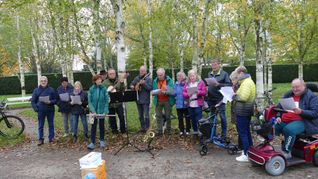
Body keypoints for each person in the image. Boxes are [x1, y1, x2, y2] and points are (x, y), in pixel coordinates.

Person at [275, 78, 318, 159]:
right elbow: (279, 108)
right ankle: (269, 149)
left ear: (303, 86)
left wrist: (301, 112)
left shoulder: (312, 97)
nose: (295, 89)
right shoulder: (288, 94)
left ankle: (286, 152)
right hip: (285, 119)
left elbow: (315, 113)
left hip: (304, 121)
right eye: (293, 87)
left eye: (297, 87)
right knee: (273, 126)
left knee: (289, 130)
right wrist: (278, 116)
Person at [232, 66, 256, 162]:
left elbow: (244, 97)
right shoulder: (247, 82)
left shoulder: (246, 83)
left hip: (243, 111)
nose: (237, 77)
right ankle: (250, 150)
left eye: (237, 74)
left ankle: (246, 154)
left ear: (241, 73)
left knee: (243, 132)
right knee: (246, 131)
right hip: (246, 111)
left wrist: (234, 96)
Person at [207, 59, 231, 139]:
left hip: (220, 99)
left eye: (215, 64)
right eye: (212, 64)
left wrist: (219, 84)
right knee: (211, 116)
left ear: (219, 65)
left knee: (222, 116)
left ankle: (224, 135)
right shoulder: (209, 73)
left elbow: (228, 85)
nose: (213, 65)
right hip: (211, 98)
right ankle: (212, 134)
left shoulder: (224, 74)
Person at [31, 76, 57, 146]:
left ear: (47, 81)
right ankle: (40, 139)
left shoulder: (51, 89)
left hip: (50, 110)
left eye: (44, 81)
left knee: (51, 125)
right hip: (41, 110)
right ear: (40, 82)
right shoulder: (36, 90)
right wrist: (36, 109)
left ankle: (51, 138)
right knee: (40, 125)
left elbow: (56, 100)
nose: (43, 82)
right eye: (42, 81)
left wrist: (50, 102)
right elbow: (33, 101)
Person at [87, 75, 109, 150]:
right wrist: (93, 111)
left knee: (102, 126)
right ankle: (92, 142)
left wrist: (105, 111)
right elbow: (89, 102)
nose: (100, 81)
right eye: (98, 79)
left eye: (100, 79)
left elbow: (106, 101)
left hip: (101, 112)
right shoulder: (91, 89)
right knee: (93, 127)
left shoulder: (104, 89)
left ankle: (102, 141)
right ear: (95, 81)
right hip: (93, 112)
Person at [102, 68, 126, 134]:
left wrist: (121, 83)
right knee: (112, 119)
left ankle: (123, 131)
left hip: (118, 102)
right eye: (110, 74)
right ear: (108, 74)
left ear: (115, 74)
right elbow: (103, 92)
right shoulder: (104, 83)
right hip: (110, 104)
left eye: (113, 73)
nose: (112, 75)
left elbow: (123, 89)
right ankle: (114, 132)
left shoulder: (119, 80)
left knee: (121, 117)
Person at [182, 70, 207, 135]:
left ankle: (200, 132)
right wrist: (188, 94)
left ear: (196, 75)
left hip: (198, 103)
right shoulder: (187, 83)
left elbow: (205, 92)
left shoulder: (201, 82)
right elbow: (183, 93)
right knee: (192, 118)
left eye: (193, 76)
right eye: (190, 76)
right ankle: (195, 131)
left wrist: (199, 92)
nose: (192, 77)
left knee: (198, 119)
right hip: (190, 104)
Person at [152, 68, 175, 136]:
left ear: (164, 74)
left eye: (161, 75)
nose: (159, 76)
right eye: (158, 75)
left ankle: (168, 130)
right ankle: (159, 131)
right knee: (158, 116)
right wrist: (153, 92)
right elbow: (154, 89)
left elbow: (172, 91)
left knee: (168, 116)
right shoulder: (155, 81)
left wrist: (164, 92)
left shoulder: (168, 80)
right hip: (158, 101)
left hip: (167, 101)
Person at [130, 66, 152, 133]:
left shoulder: (148, 79)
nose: (141, 72)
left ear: (146, 71)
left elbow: (150, 88)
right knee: (140, 115)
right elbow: (131, 84)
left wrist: (144, 83)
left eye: (143, 71)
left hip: (145, 100)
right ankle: (142, 128)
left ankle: (147, 128)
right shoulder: (137, 78)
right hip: (138, 99)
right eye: (141, 70)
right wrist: (132, 86)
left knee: (146, 115)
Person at [174, 71, 191, 136]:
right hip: (178, 103)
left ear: (183, 77)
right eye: (177, 76)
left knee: (187, 117)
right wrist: (172, 93)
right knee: (180, 118)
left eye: (180, 76)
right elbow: (175, 93)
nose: (178, 77)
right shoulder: (176, 84)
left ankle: (188, 130)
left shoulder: (187, 83)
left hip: (186, 103)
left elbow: (189, 92)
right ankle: (181, 130)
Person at [229, 70, 243, 150]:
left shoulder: (240, 86)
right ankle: (240, 145)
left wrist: (233, 95)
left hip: (239, 109)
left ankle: (241, 146)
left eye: (232, 80)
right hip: (234, 109)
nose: (232, 82)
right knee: (238, 128)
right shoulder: (234, 86)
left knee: (241, 128)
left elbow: (240, 97)